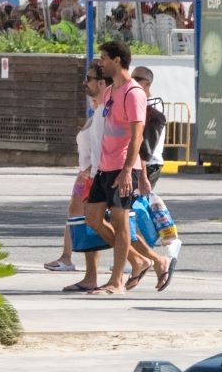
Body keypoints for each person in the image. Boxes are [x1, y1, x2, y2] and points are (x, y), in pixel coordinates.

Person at [88, 40, 169, 294]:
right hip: (104, 166)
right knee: (92, 218)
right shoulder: (111, 91)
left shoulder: (133, 93)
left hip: (123, 167)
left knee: (122, 223)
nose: (101, 62)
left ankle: (116, 281)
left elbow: (137, 136)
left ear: (117, 60)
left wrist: (127, 171)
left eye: (104, 58)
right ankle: (138, 260)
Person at [46, 68, 105, 282]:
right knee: (74, 213)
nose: (85, 83)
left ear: (101, 83)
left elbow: (108, 146)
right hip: (85, 173)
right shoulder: (95, 113)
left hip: (94, 174)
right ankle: (66, 257)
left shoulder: (106, 112)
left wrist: (90, 171)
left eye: (88, 79)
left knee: (99, 220)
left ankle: (141, 258)